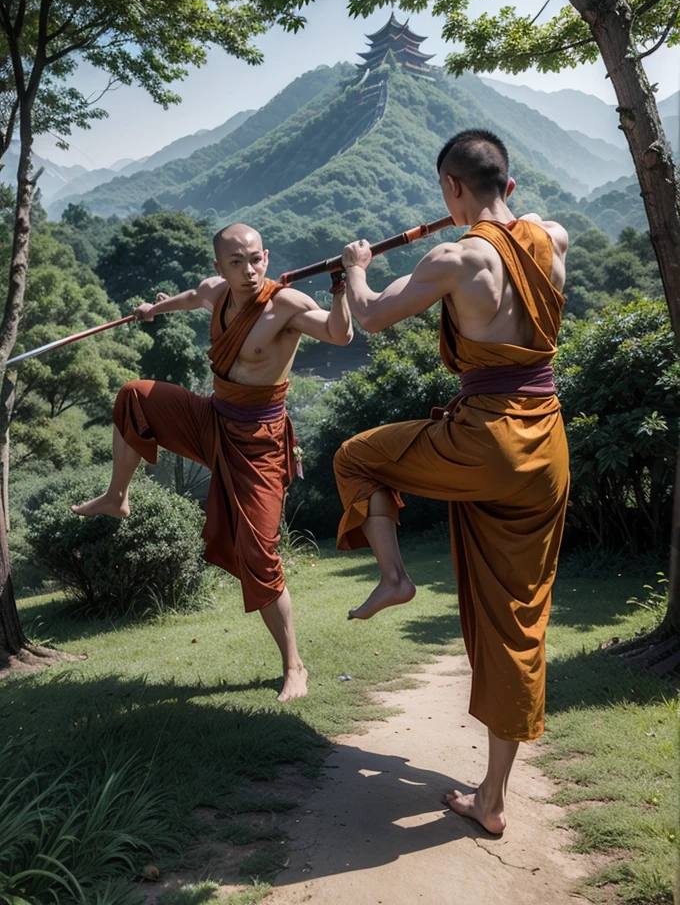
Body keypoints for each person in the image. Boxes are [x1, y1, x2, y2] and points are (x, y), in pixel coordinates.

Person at [334, 129, 569, 832]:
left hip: (486, 435)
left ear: (452, 189)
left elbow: (372, 315)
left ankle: (394, 576)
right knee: (518, 620)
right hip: (547, 442)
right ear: (512, 184)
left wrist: (355, 266)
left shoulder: (456, 256)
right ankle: (491, 799)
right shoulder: (554, 238)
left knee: (357, 457)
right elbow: (519, 238)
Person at [73, 223, 353, 702]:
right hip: (214, 417)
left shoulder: (285, 304)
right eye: (236, 262)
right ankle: (117, 497)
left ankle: (294, 666)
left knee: (260, 554)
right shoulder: (215, 293)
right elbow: (188, 297)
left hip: (259, 441)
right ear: (219, 267)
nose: (249, 270)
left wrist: (342, 285)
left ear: (266, 255)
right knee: (134, 396)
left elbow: (340, 334)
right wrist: (152, 309)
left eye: (255, 259)